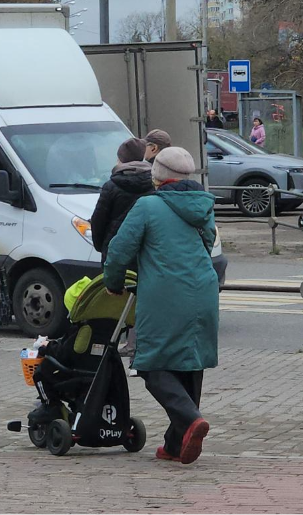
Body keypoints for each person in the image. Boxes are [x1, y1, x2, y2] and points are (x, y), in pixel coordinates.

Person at [103, 146, 218, 465]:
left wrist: (112, 283)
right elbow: (207, 243)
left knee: (151, 362)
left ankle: (190, 419)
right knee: (190, 361)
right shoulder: (202, 204)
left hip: (165, 292)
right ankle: (176, 444)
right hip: (204, 289)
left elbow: (120, 249)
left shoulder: (148, 206)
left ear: (158, 175)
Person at [90, 137, 156, 265]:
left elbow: (98, 221)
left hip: (115, 250)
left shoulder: (111, 186)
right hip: (147, 250)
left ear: (120, 159)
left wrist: (103, 246)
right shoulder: (154, 183)